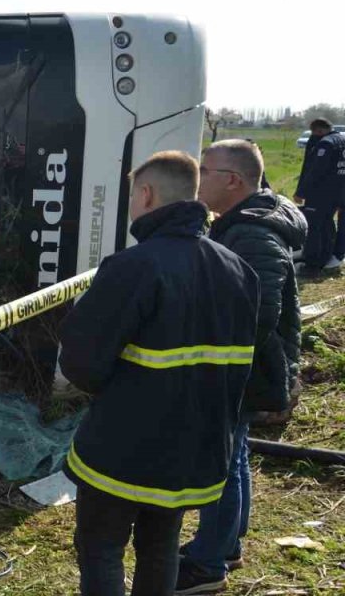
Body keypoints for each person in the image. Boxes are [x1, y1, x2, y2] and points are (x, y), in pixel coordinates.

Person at [59, 151, 259, 595]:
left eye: (134, 194)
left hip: (123, 449)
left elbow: (81, 362)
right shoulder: (237, 269)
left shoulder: (133, 267)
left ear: (146, 195)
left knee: (101, 548)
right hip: (194, 449)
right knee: (160, 548)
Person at [175, 140, 307, 594]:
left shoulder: (252, 232)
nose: (198, 179)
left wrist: (214, 359)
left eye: (205, 170)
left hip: (245, 368)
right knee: (235, 454)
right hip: (249, 365)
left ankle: (207, 564)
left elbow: (257, 312)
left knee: (222, 462)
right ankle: (225, 544)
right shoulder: (242, 223)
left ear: (233, 180)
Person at [293, 119, 345, 273]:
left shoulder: (326, 144)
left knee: (315, 226)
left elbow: (315, 172)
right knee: (329, 224)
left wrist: (301, 192)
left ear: (319, 130)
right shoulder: (342, 139)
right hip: (339, 191)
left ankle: (313, 262)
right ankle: (328, 255)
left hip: (321, 193)